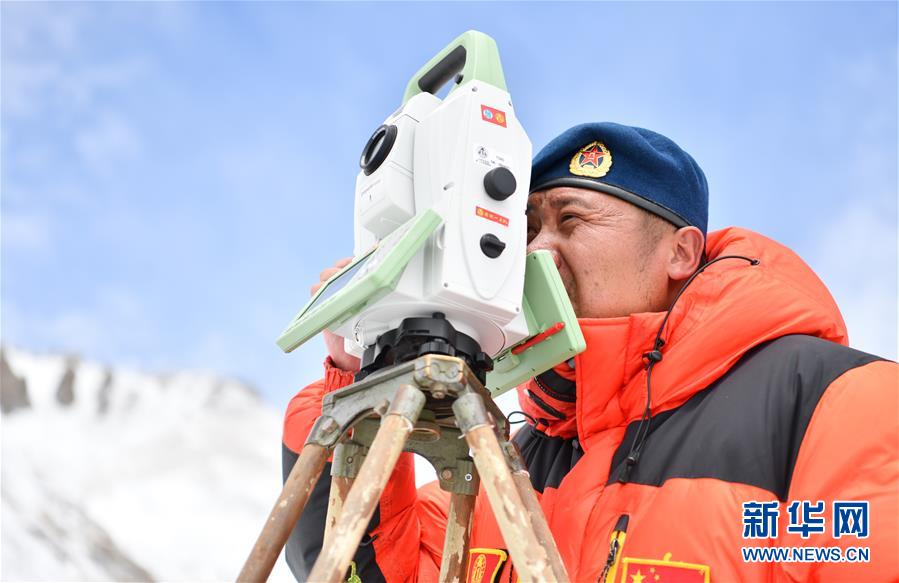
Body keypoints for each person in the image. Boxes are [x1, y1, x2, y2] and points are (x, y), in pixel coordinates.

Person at [281, 122, 898, 582]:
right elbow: (365, 570)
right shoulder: (500, 459)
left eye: (571, 221)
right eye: (527, 231)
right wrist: (356, 385)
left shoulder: (836, 406)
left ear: (680, 253)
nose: (538, 252)